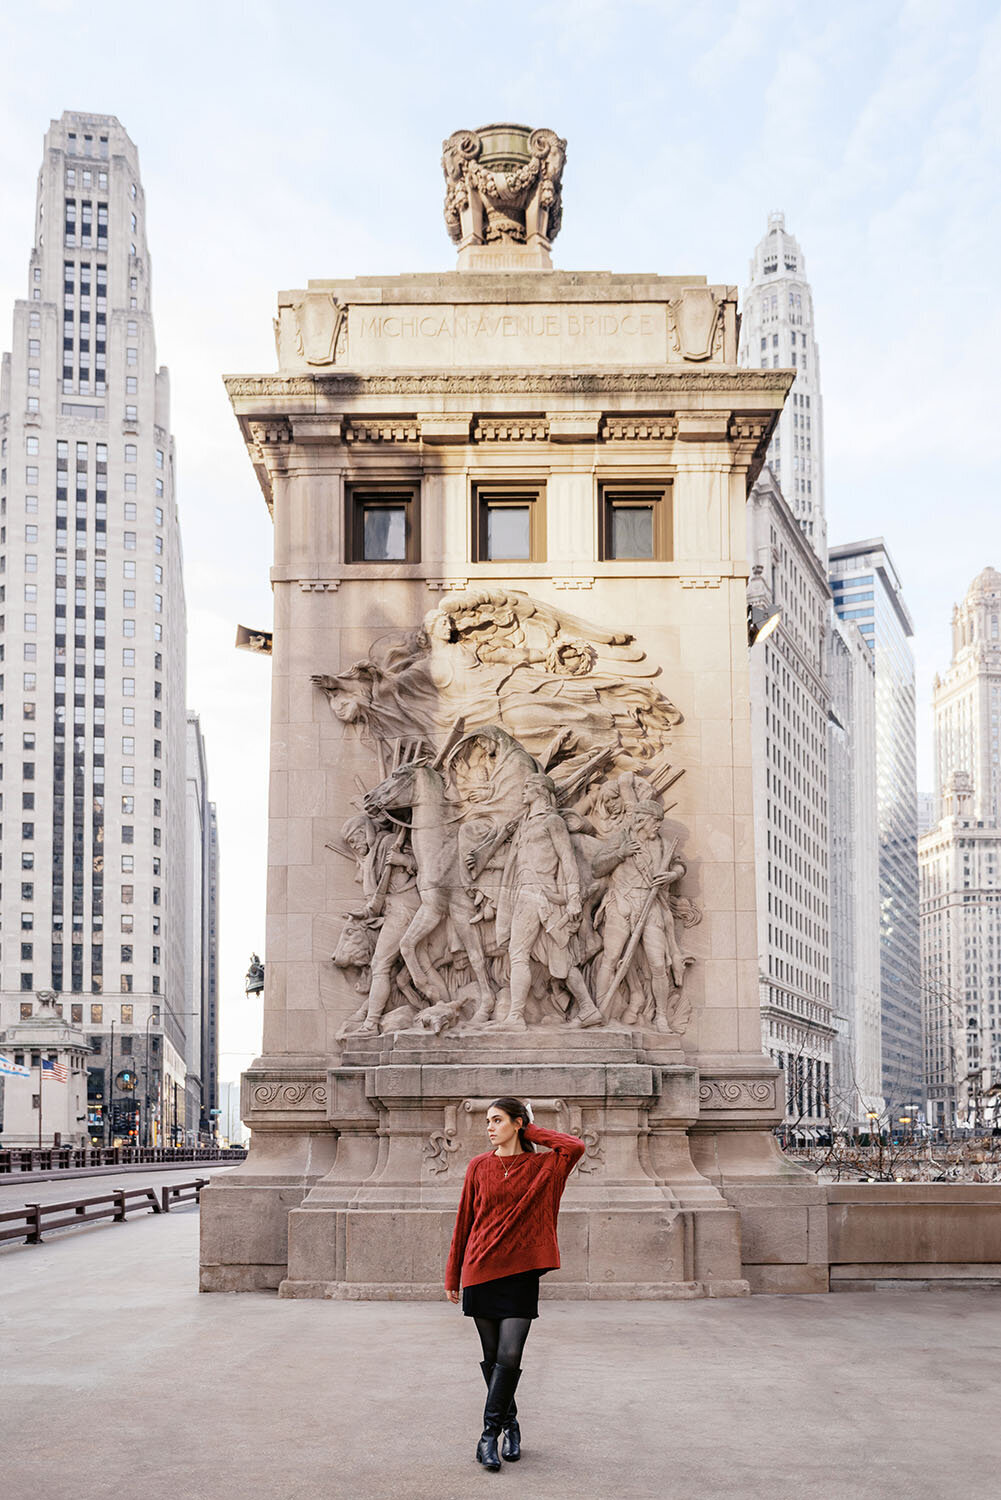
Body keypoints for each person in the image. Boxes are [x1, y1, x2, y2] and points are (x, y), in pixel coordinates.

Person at [445, 1097, 585, 1471]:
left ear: (517, 1123)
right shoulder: (478, 1166)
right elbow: (464, 1221)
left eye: (498, 1120)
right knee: (492, 1360)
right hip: (480, 1270)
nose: (489, 1127)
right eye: (488, 1121)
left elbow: (574, 1146)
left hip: (520, 1274)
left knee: (509, 1357)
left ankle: (487, 1436)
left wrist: (532, 1127)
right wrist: (452, 1273)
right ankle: (510, 1424)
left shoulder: (545, 1167)